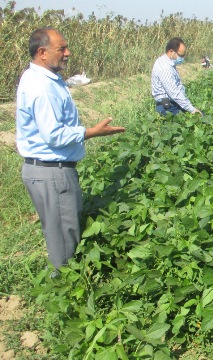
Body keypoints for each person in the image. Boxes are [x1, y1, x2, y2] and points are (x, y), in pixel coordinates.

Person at [16, 27, 126, 271]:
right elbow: (54, 135)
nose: (68, 52)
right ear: (42, 52)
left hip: (46, 171)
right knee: (65, 241)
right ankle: (64, 294)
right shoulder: (41, 87)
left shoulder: (40, 78)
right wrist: (92, 132)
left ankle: (62, 283)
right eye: (61, 48)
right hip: (52, 172)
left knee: (59, 234)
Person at [151, 37, 202, 116]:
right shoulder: (165, 68)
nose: (182, 58)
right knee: (199, 118)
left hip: (172, 104)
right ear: (171, 51)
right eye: (180, 55)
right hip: (168, 108)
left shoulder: (164, 61)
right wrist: (192, 110)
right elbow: (174, 93)